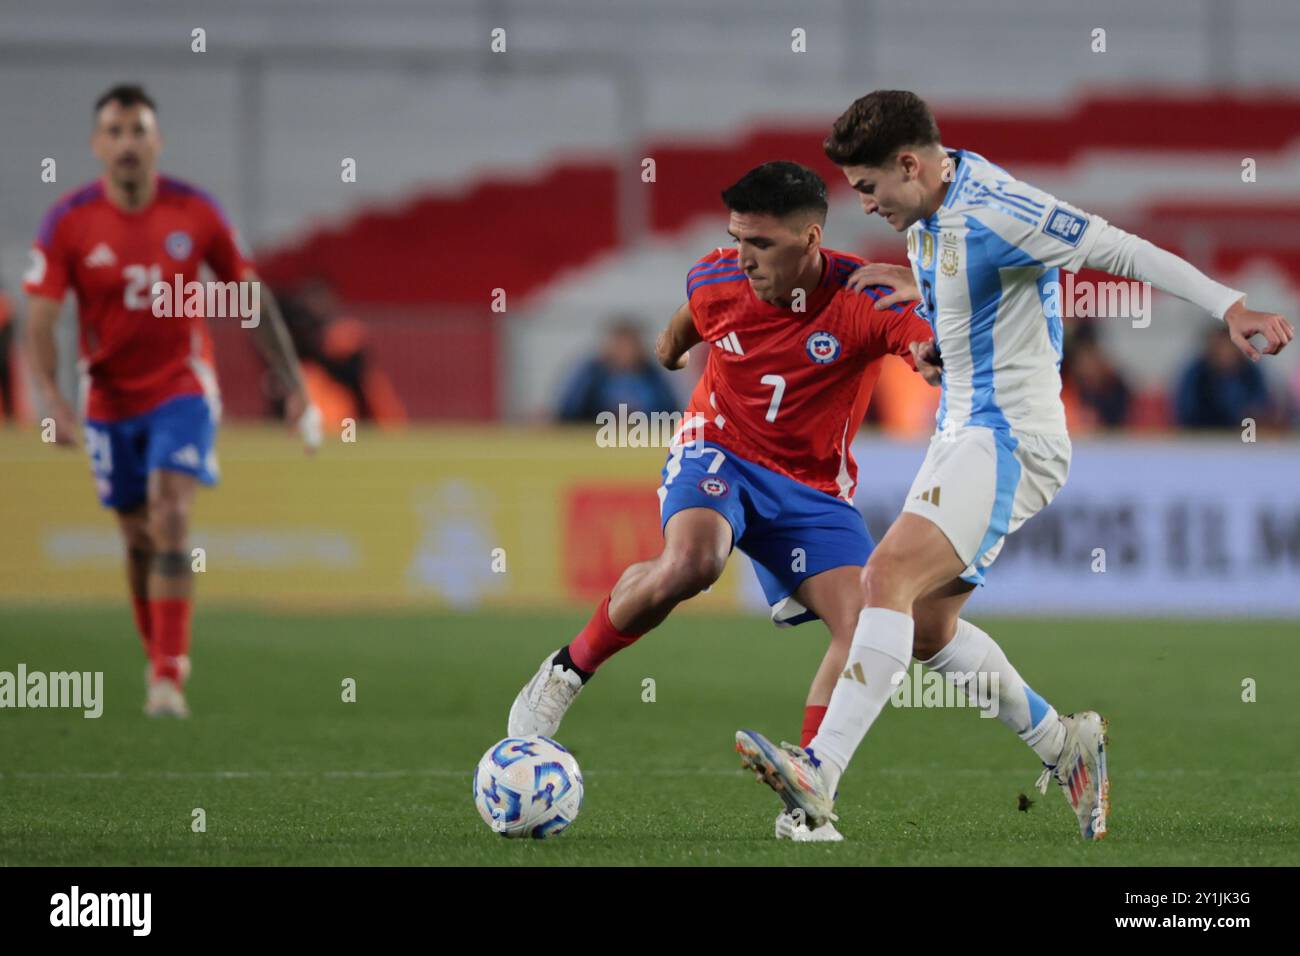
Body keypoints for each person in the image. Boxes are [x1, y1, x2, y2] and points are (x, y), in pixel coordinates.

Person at [737, 90, 1293, 841]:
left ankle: (820, 774)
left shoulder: (999, 208)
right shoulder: (929, 211)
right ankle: (1066, 744)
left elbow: (1120, 249)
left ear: (908, 163)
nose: (864, 205)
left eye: (868, 187)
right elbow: (981, 297)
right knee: (928, 627)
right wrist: (926, 308)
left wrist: (1231, 308)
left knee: (884, 580)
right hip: (962, 428)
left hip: (1008, 437)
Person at [504, 160, 941, 842]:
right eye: (737, 238)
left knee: (867, 626)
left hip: (811, 486)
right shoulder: (717, 277)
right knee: (694, 563)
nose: (744, 257)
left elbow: (920, 342)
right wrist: (670, 348)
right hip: (721, 451)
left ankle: (809, 795)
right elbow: (690, 321)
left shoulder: (864, 298)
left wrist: (933, 353)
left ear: (811, 239)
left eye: (761, 244)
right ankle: (564, 671)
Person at [22, 84, 318, 717]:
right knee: (135, 537)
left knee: (171, 512)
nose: (127, 142)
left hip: (181, 386)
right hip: (105, 395)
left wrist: (293, 386)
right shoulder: (69, 221)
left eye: (138, 130)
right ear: (97, 144)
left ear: (157, 141)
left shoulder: (196, 213)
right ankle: (157, 653)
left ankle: (167, 675)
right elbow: (41, 321)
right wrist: (51, 400)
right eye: (116, 131)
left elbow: (249, 297)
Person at [555, 319, 680, 423]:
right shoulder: (592, 375)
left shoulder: (653, 376)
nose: (624, 352)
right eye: (619, 345)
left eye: (629, 346)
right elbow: (569, 410)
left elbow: (671, 412)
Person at [1174, 325, 1277, 429]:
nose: (1226, 353)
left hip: (1243, 435)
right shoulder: (1196, 374)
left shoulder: (1251, 373)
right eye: (1221, 347)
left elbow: (1262, 405)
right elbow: (1186, 410)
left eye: (1230, 347)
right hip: (1203, 435)